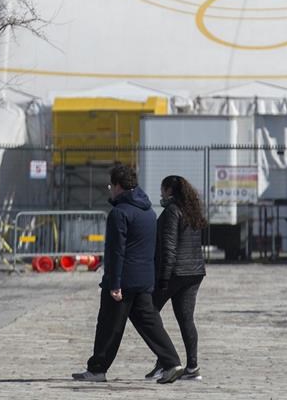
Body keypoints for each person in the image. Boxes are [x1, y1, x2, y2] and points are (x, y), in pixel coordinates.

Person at [72, 164, 185, 384]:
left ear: (118, 186)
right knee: (150, 324)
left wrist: (114, 284)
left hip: (123, 280)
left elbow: (116, 252)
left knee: (108, 325)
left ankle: (97, 369)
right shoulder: (148, 212)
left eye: (110, 186)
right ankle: (172, 362)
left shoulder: (119, 213)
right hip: (143, 279)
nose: (110, 190)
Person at [142, 174, 208, 382]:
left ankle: (167, 362)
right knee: (186, 319)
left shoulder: (172, 211)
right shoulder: (192, 210)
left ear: (169, 190)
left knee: (148, 313)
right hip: (195, 271)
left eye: (162, 190)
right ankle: (192, 366)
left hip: (175, 272)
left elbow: (169, 247)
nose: (160, 194)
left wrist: (163, 278)